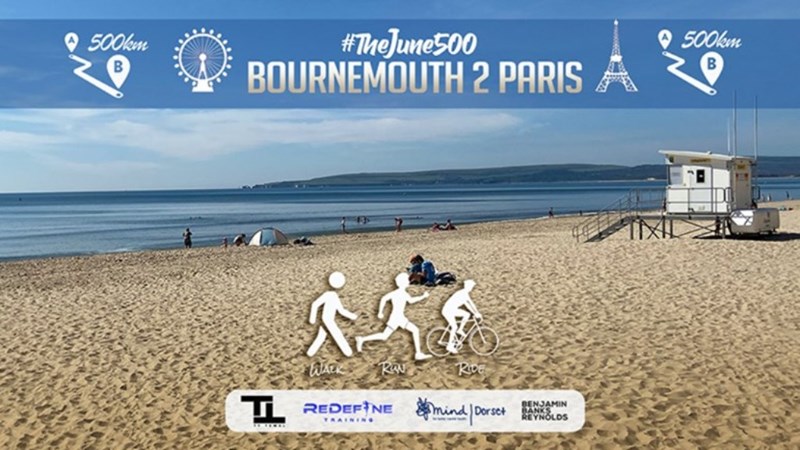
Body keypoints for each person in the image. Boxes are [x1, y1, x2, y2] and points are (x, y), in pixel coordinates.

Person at [355, 273, 432, 361]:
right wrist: (423, 296)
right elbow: (411, 301)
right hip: (397, 318)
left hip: (397, 318)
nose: (408, 282)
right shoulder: (401, 294)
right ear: (403, 283)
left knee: (385, 335)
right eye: (407, 280)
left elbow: (384, 298)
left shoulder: (398, 293)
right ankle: (418, 353)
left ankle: (362, 339)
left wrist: (380, 312)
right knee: (414, 330)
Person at [307, 272, 359, 357]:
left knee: (321, 336)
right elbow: (315, 304)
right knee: (337, 334)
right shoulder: (329, 295)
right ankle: (347, 352)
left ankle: (310, 353)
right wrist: (312, 319)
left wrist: (351, 316)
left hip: (326, 319)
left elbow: (340, 310)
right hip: (327, 320)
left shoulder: (332, 295)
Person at [441, 280, 481, 354]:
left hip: (451, 309)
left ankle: (460, 329)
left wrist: (476, 313)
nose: (472, 288)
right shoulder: (464, 294)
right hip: (448, 310)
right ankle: (449, 346)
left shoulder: (463, 293)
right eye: (471, 286)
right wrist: (476, 313)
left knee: (467, 314)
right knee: (454, 327)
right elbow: (471, 304)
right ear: (468, 286)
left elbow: (469, 305)